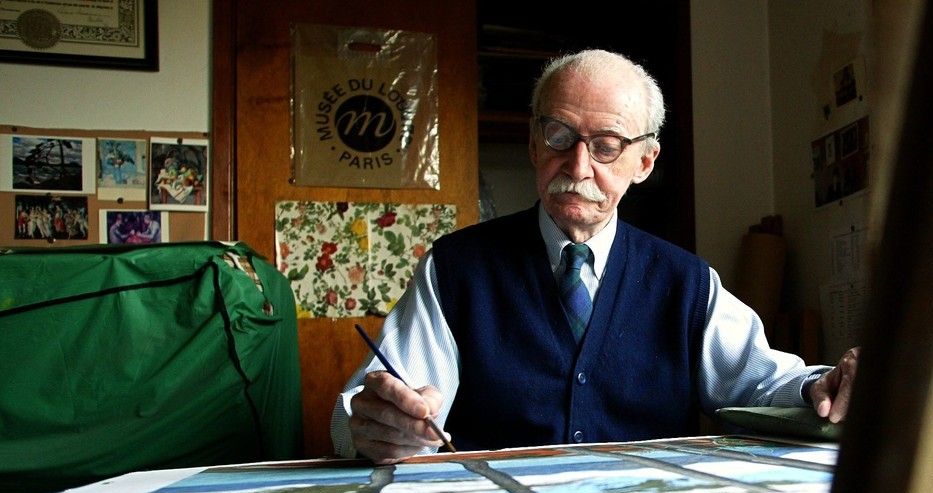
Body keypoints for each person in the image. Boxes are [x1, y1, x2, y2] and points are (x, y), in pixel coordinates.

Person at [331, 49, 860, 464]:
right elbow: (368, 405)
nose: (578, 166)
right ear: (535, 144)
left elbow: (762, 382)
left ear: (645, 161)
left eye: (606, 145)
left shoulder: (686, 282)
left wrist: (823, 387)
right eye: (559, 135)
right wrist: (376, 422)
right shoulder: (455, 270)